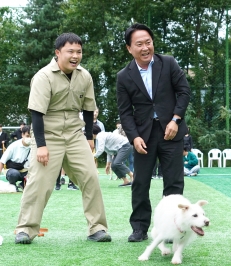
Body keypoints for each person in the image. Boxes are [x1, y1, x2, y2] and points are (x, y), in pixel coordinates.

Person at [14, 33, 111, 244]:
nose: (76, 56)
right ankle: (25, 229)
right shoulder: (43, 76)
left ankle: (97, 228)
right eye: (71, 51)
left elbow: (88, 109)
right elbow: (36, 114)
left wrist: (89, 138)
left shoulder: (84, 76)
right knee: (39, 183)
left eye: (79, 52)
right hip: (48, 134)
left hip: (75, 134)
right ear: (58, 53)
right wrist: (41, 145)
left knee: (90, 178)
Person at [116, 23, 191, 242]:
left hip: (171, 132)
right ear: (130, 48)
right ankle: (139, 227)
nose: (145, 47)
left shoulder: (168, 63)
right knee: (140, 183)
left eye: (148, 42)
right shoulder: (124, 76)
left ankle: (173, 228)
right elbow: (125, 112)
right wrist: (134, 137)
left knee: (174, 182)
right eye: (139, 44)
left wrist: (175, 119)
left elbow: (184, 92)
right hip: (143, 137)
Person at [0, 125, 31, 192]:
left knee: (38, 173)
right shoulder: (14, 145)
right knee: (13, 174)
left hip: (26, 172)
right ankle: (13, 185)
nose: (29, 138)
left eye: (31, 136)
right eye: (27, 136)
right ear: (22, 135)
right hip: (13, 170)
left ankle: (23, 184)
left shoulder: (34, 147)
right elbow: (2, 161)